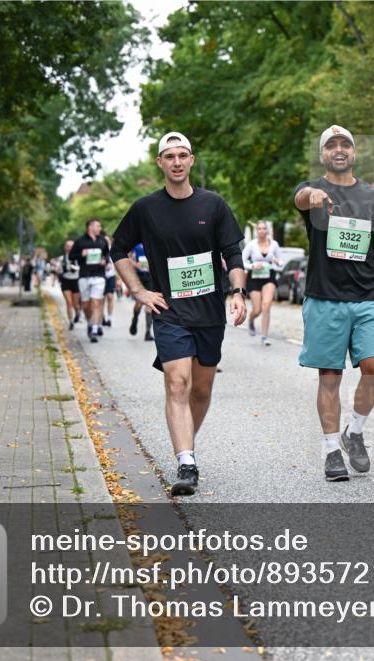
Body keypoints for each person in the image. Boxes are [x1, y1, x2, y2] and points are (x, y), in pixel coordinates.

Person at [111, 131, 247, 496]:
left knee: (201, 389)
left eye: (182, 155)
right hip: (169, 311)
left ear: (191, 160)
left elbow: (233, 253)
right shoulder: (145, 208)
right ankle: (186, 462)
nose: (176, 162)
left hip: (209, 312)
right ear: (160, 163)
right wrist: (139, 291)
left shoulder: (213, 205)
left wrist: (237, 292)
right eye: (169, 156)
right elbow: (118, 248)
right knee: (177, 382)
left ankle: (187, 444)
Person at [294, 125, 374, 483]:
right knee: (329, 376)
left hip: (365, 298)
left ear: (354, 152)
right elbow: (301, 199)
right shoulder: (310, 189)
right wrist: (313, 196)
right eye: (331, 145)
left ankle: (354, 432)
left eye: (345, 144)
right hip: (325, 298)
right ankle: (332, 450)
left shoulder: (373, 198)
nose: (338, 149)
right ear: (323, 155)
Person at [242, 221, 284, 346]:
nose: (261, 231)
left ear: (267, 230)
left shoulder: (274, 245)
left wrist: (277, 262)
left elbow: (281, 263)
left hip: (269, 276)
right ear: (256, 231)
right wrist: (253, 265)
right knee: (257, 309)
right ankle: (251, 319)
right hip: (254, 277)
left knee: (266, 305)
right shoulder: (251, 245)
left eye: (263, 228)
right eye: (259, 228)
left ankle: (265, 336)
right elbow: (242, 261)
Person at [70, 219, 109, 343]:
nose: (100, 228)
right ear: (90, 227)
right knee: (86, 305)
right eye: (98, 226)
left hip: (99, 275)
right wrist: (82, 254)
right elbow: (71, 256)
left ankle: (94, 329)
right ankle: (90, 323)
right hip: (84, 275)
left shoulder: (102, 240)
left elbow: (108, 254)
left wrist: (105, 261)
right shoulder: (80, 241)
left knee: (96, 302)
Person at [128, 242, 154, 341]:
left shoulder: (152, 239)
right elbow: (127, 257)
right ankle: (135, 319)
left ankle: (148, 332)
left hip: (150, 275)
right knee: (139, 302)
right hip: (139, 276)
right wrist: (135, 264)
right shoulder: (134, 242)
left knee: (150, 303)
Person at [58, 240, 82, 330]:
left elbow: (82, 268)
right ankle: (71, 321)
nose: (70, 248)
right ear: (65, 247)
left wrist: (75, 268)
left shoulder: (78, 257)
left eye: (71, 246)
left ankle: (77, 312)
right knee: (69, 302)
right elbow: (58, 269)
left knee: (75, 304)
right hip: (65, 281)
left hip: (76, 281)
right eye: (68, 246)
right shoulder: (62, 258)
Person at [102, 234, 117, 327]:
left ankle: (109, 318)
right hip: (100, 276)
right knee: (101, 299)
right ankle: (102, 317)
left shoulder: (114, 250)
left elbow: (119, 265)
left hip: (111, 276)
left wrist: (119, 279)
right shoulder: (100, 250)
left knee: (110, 296)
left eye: (107, 241)